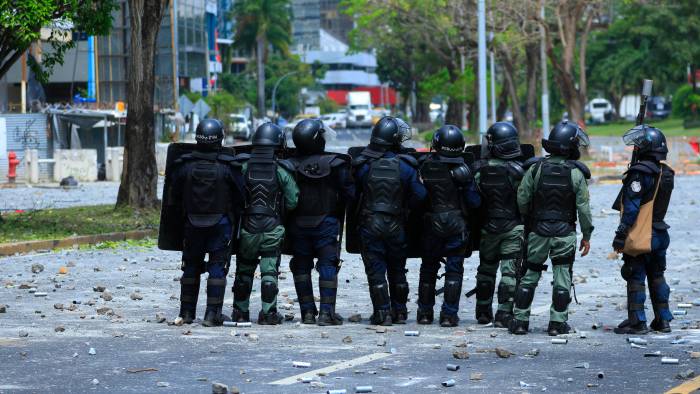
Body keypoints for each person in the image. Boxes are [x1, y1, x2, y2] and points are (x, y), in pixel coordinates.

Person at [510, 121, 594, 336]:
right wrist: (587, 235)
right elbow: (583, 209)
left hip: (538, 231)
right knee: (562, 276)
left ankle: (520, 321)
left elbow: (522, 197)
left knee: (529, 275)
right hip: (565, 232)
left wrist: (527, 219)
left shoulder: (535, 169)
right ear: (570, 147)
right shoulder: (576, 174)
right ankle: (557, 324)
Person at [169, 118, 244, 327]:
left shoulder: (183, 166)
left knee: (191, 266)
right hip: (220, 224)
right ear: (219, 139)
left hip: (191, 225)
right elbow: (241, 197)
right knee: (217, 267)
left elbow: (173, 197)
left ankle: (186, 313)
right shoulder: (229, 167)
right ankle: (212, 314)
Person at [352, 116, 427, 326]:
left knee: (376, 271)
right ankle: (400, 312)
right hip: (396, 224)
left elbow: (351, 194)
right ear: (394, 140)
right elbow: (420, 196)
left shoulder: (363, 165)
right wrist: (405, 206)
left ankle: (382, 313)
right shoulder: (406, 166)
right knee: (397, 270)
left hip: (369, 223)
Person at [287, 119, 355, 326]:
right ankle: (326, 314)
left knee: (301, 267)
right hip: (326, 223)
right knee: (328, 265)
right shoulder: (336, 165)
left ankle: (307, 313)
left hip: (297, 225)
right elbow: (350, 194)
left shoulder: (288, 165)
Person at [231, 123, 299, 325]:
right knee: (269, 271)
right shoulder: (281, 170)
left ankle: (240, 313)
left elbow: (233, 197)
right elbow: (293, 200)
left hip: (247, 228)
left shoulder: (243, 167)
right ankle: (269, 313)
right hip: (272, 227)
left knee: (244, 272)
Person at [612, 125, 674, 334]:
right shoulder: (666, 172)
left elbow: (631, 208)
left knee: (635, 275)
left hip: (642, 234)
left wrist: (620, 235)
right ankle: (663, 320)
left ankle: (637, 321)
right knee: (657, 275)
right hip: (660, 232)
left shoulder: (639, 173)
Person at [416, 125, 480, 327]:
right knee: (454, 271)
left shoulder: (423, 167)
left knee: (428, 270)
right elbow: (475, 203)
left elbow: (416, 199)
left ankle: (425, 313)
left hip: (430, 225)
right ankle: (449, 316)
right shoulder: (464, 170)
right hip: (456, 225)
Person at [472, 122, 525, 327]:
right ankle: (504, 314)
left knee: (486, 271)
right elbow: (525, 201)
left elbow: (473, 200)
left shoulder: (479, 171)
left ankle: (483, 312)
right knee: (510, 273)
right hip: (512, 227)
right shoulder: (518, 172)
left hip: (488, 228)